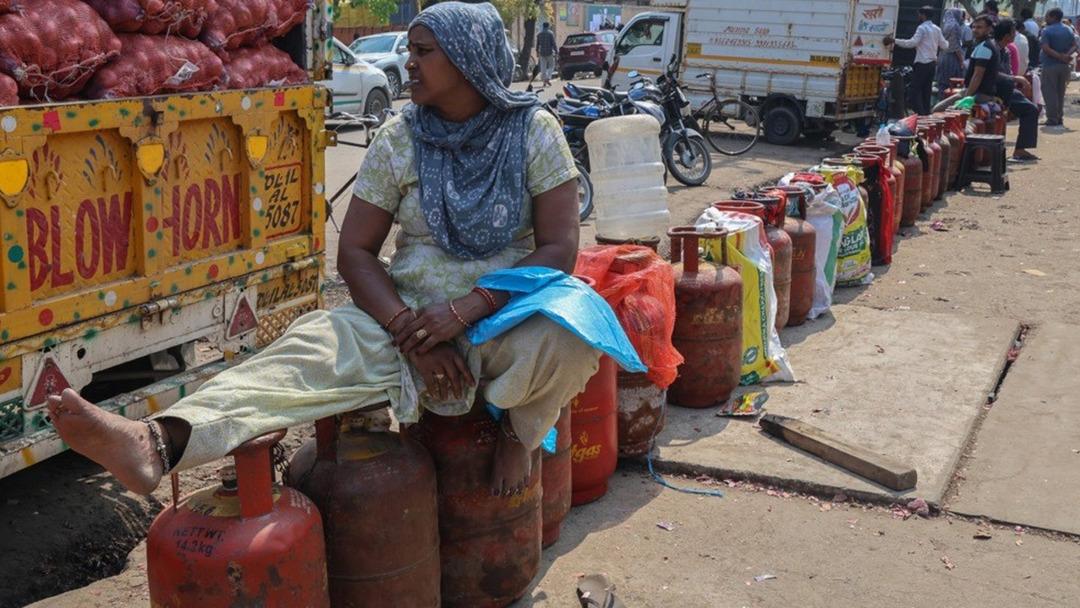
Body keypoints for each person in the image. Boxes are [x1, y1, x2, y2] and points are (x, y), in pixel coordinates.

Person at [45, 1, 602, 498]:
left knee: (572, 332)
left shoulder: (534, 130)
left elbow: (559, 248)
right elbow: (356, 253)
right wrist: (412, 333)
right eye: (409, 50)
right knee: (302, 349)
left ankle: (518, 432)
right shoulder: (400, 137)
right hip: (405, 321)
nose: (409, 63)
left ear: (467, 59)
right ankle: (157, 443)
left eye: (424, 52)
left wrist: (467, 309)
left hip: (503, 317)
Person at [884, 6, 948, 115]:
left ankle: (920, 115)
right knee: (926, 91)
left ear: (923, 15)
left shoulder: (922, 28)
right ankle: (926, 115)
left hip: (922, 64)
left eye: (919, 14)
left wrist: (894, 40)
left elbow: (912, 43)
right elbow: (945, 45)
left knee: (914, 92)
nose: (918, 16)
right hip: (932, 64)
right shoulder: (937, 29)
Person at [992, 18, 1039, 161]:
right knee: (1030, 110)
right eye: (1013, 33)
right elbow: (993, 73)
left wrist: (1014, 81)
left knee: (1031, 109)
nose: (1015, 35)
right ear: (1007, 35)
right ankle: (1019, 150)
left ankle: (1020, 150)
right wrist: (1015, 79)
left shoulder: (1005, 50)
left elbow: (1008, 72)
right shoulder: (992, 49)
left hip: (1007, 89)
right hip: (995, 90)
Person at [1039, 8, 1078, 127]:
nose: (1046, 18)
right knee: (1060, 92)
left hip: (1050, 65)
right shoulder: (1068, 29)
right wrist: (1066, 56)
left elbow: (1046, 48)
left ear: (1053, 17)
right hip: (1065, 66)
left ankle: (1052, 118)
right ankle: (1059, 117)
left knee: (1049, 92)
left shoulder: (1046, 30)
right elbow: (1075, 46)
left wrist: (1060, 56)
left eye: (1047, 16)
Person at [937, 8, 969, 95]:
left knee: (942, 83)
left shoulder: (945, 25)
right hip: (952, 59)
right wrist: (962, 61)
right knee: (952, 84)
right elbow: (955, 46)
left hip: (943, 56)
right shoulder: (955, 26)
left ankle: (940, 103)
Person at [536, 22, 556, 86]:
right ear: (548, 26)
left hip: (542, 52)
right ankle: (547, 78)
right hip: (549, 52)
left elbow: (537, 44)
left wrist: (537, 52)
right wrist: (557, 51)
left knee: (543, 67)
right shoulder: (550, 33)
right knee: (551, 66)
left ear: (543, 26)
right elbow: (553, 43)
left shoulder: (539, 34)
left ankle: (544, 81)